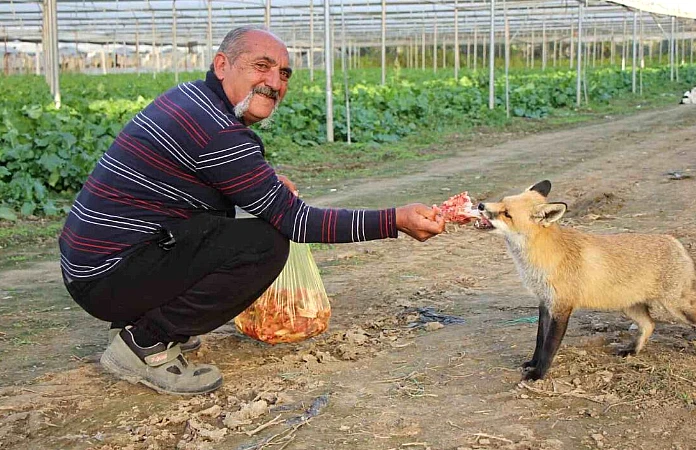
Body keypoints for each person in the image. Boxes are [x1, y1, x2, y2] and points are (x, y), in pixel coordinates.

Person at [59, 25, 445, 395]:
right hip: (106, 277)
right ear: (222, 64)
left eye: (284, 74)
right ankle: (145, 342)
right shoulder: (217, 130)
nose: (275, 83)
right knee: (265, 244)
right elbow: (297, 220)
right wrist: (394, 219)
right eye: (261, 66)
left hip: (96, 264)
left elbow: (204, 179)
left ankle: (138, 318)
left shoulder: (193, 100)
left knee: (230, 223)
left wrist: (265, 186)